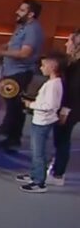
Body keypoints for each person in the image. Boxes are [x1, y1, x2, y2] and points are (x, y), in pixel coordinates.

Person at [0, 0, 45, 151]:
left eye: (22, 10)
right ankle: (7, 129)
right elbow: (11, 44)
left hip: (20, 74)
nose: (17, 12)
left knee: (15, 106)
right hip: (11, 71)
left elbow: (24, 53)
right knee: (10, 104)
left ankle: (13, 138)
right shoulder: (23, 27)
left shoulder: (33, 30)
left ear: (31, 14)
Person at [15, 54, 65, 193]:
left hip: (43, 122)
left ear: (53, 67)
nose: (41, 68)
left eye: (43, 65)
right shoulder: (52, 83)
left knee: (38, 152)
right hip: (40, 120)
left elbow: (50, 105)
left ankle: (39, 182)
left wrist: (30, 104)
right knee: (35, 150)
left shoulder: (53, 85)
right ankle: (34, 174)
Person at [49, 31, 80, 186]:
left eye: (69, 41)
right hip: (68, 107)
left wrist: (65, 110)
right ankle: (56, 167)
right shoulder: (72, 63)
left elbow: (74, 90)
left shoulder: (77, 67)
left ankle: (58, 174)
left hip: (70, 109)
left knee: (62, 139)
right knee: (60, 139)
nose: (66, 44)